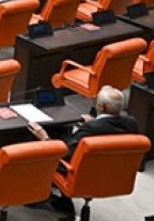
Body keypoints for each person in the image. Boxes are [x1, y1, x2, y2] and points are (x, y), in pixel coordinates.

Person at [28, 85, 137, 218]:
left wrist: (44, 137)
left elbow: (66, 154)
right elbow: (111, 134)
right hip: (112, 172)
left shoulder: (91, 129)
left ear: (101, 107)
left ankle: (37, 195)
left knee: (41, 149)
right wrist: (93, 122)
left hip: (80, 172)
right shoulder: (131, 123)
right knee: (64, 136)